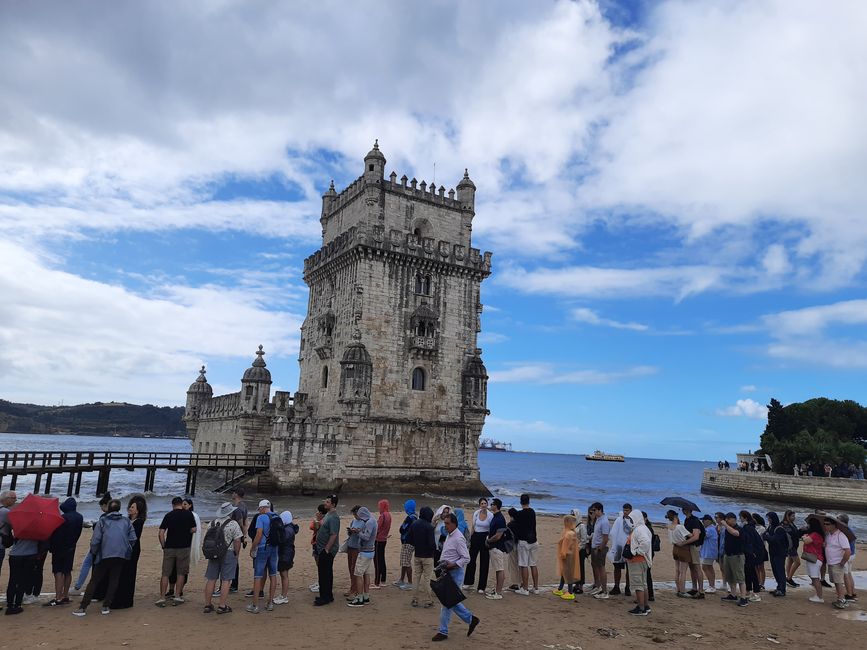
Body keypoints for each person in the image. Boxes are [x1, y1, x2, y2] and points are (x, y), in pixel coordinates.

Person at [73, 499, 137, 616]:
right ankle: (106, 606)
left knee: (95, 580)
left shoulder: (103, 521)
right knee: (114, 579)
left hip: (104, 555)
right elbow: (133, 538)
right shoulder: (126, 521)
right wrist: (125, 548)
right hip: (120, 555)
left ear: (109, 508)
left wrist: (94, 551)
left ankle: (83, 607)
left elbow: (95, 540)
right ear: (118, 508)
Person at [431, 513, 480, 642]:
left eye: (447, 523)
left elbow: (466, 558)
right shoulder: (450, 535)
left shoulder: (458, 538)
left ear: (454, 523)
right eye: (445, 523)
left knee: (447, 602)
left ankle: (443, 631)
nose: (445, 526)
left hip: (455, 573)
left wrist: (452, 564)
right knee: (451, 601)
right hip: (447, 571)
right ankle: (471, 619)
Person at [155, 496, 197, 607]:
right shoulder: (189, 514)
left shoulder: (168, 515)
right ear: (181, 504)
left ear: (172, 504)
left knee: (165, 573)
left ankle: (162, 597)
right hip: (184, 547)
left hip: (170, 547)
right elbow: (194, 529)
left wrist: (164, 545)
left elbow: (161, 533)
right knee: (181, 573)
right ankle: (177, 596)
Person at [202, 502, 243, 614]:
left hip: (214, 553)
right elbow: (237, 540)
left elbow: (206, 538)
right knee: (226, 580)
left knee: (211, 579)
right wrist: (236, 553)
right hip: (228, 552)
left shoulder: (212, 523)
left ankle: (207, 604)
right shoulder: (233, 524)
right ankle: (222, 605)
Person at [44, 497, 83, 607]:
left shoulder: (62, 518)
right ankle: (65, 595)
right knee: (67, 571)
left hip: (59, 548)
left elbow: (57, 535)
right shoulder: (79, 517)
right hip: (71, 547)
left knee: (58, 571)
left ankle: (58, 597)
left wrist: (51, 547)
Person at [111, 495, 146, 609]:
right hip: (123, 548)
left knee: (128, 573)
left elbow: (133, 537)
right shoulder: (127, 520)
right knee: (121, 573)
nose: (130, 509)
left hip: (132, 550)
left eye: (132, 507)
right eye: (130, 506)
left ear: (138, 509)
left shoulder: (139, 522)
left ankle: (125, 600)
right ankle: (119, 597)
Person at [72, 493, 112, 593]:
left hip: (98, 545)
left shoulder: (104, 517)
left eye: (102, 506)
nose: (101, 508)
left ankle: (78, 586)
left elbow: (99, 532)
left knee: (87, 563)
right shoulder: (115, 516)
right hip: (109, 546)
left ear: (105, 505)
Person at [4, 503, 40, 616]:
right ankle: (18, 604)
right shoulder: (37, 524)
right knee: (23, 580)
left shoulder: (17, 522)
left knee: (13, 580)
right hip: (30, 554)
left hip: (16, 554)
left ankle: (10, 604)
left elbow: (10, 535)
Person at [248, 499, 278, 613]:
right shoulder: (276, 516)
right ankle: (270, 603)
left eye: (259, 509)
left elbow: (259, 534)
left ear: (262, 508)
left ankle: (255, 605)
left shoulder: (261, 517)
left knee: (258, 575)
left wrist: (253, 547)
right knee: (273, 574)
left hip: (263, 548)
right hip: (274, 548)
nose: (259, 511)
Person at [167, 497, 201, 599]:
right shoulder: (179, 514)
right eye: (183, 504)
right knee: (173, 569)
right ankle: (171, 589)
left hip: (187, 545)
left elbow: (195, 530)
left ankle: (179, 590)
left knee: (182, 570)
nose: (183, 506)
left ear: (190, 505)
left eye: (185, 504)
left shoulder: (193, 516)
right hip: (178, 545)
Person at [347, 506, 377, 607]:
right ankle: (366, 596)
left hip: (365, 551)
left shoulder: (369, 522)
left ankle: (359, 598)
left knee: (358, 574)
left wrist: (358, 532)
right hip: (370, 551)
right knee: (367, 574)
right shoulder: (373, 520)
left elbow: (366, 537)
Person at [313, 494, 340, 606]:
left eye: (328, 502)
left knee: (325, 573)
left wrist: (327, 549)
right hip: (321, 548)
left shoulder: (334, 517)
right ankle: (326, 595)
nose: (325, 503)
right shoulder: (328, 515)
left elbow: (334, 535)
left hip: (326, 550)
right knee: (324, 573)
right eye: (326, 501)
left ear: (333, 504)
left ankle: (325, 597)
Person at [409, 506, 436, 608]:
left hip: (417, 554)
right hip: (428, 556)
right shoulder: (429, 527)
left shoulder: (414, 524)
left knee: (416, 577)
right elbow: (432, 543)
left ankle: (414, 599)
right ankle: (428, 600)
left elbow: (410, 539)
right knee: (427, 578)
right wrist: (434, 551)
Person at [626, 510, 652, 616]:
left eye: (631, 518)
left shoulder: (640, 529)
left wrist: (636, 552)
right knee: (643, 584)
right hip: (640, 560)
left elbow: (645, 542)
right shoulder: (641, 528)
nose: (630, 521)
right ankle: (645, 606)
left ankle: (641, 608)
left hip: (638, 560)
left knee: (638, 585)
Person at [719, 512, 748, 607]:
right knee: (730, 577)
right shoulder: (727, 528)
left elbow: (735, 533)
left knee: (740, 577)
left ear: (733, 519)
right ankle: (733, 594)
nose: (726, 521)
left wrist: (725, 525)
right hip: (728, 555)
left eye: (728, 519)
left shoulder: (739, 528)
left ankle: (743, 598)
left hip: (737, 556)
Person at [463, 497, 491, 594]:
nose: (484, 505)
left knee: (484, 562)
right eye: (482, 503)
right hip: (475, 537)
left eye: (485, 503)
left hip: (485, 538)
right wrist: (470, 538)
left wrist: (488, 539)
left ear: (487, 504)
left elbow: (491, 529)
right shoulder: (476, 513)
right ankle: (468, 582)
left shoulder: (490, 515)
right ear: (480, 505)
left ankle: (481, 587)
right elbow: (473, 527)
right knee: (471, 560)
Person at [822, 516, 851, 610]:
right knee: (835, 581)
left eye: (828, 524)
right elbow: (829, 546)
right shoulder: (828, 535)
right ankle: (840, 598)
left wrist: (842, 562)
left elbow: (848, 551)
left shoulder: (840, 535)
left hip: (837, 563)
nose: (825, 526)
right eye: (824, 524)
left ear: (834, 525)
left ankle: (842, 599)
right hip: (831, 562)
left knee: (838, 582)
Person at [514, 494, 539, 595]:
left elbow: (513, 513)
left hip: (524, 541)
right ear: (529, 501)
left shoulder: (520, 514)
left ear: (521, 502)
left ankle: (525, 588)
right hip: (533, 540)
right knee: (533, 564)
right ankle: (536, 587)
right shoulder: (532, 512)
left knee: (524, 564)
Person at [484, 498, 509, 600]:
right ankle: (497, 590)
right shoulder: (495, 517)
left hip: (497, 547)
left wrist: (489, 540)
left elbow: (498, 535)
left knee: (499, 569)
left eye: (492, 504)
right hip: (494, 547)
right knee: (498, 569)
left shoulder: (500, 519)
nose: (490, 505)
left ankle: (498, 592)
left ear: (496, 505)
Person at [681, 505, 706, 599]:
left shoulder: (695, 520)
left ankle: (701, 590)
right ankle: (694, 588)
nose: (683, 510)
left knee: (697, 567)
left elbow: (696, 536)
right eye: (683, 509)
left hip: (695, 546)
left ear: (689, 510)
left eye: (685, 509)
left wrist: (684, 542)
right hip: (690, 545)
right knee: (692, 567)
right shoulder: (687, 520)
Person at [274, 511, 298, 605]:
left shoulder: (288, 530)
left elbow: (282, 540)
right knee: (283, 574)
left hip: (285, 554)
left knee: (284, 575)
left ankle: (284, 596)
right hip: (286, 553)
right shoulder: (290, 528)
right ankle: (283, 595)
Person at [227, 487, 248, 594]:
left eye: (233, 493)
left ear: (236, 495)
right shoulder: (244, 505)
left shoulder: (237, 508)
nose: (232, 494)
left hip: (234, 536)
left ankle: (233, 585)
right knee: (234, 558)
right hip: (239, 535)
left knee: (233, 558)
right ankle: (234, 584)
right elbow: (245, 522)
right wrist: (245, 535)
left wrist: (242, 536)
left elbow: (240, 522)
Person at [739, 511, 764, 602]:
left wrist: (751, 552)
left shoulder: (747, 528)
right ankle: (749, 591)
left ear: (744, 518)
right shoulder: (750, 527)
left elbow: (749, 541)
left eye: (741, 517)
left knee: (752, 572)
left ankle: (755, 592)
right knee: (749, 572)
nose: (740, 519)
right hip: (752, 553)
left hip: (751, 553)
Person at [763, 512, 789, 597]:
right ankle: (779, 587)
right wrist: (768, 537)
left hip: (780, 553)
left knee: (780, 571)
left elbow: (773, 539)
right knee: (775, 570)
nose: (769, 520)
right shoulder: (771, 527)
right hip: (773, 552)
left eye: (770, 518)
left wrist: (767, 536)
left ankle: (782, 589)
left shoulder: (779, 529)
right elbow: (765, 535)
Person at [608, 503, 632, 597]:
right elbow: (613, 533)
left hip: (629, 546)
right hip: (618, 546)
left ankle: (628, 587)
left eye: (627, 510)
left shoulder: (633, 521)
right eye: (624, 510)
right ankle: (616, 586)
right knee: (617, 567)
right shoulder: (619, 519)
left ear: (631, 510)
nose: (625, 512)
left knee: (629, 569)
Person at [554, 514, 580, 600]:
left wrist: (563, 554)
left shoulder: (569, 533)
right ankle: (560, 588)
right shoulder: (571, 532)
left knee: (568, 573)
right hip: (570, 555)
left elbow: (565, 545)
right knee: (564, 572)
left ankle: (570, 592)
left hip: (568, 556)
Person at [801, 515, 825, 603]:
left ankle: (819, 596)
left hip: (815, 558)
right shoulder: (818, 534)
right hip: (815, 558)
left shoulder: (815, 534)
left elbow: (807, 541)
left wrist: (804, 537)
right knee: (813, 576)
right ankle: (818, 595)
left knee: (815, 578)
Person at [666, 510, 691, 597]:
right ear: (676, 517)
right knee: (683, 571)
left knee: (677, 570)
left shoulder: (669, 526)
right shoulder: (680, 527)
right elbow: (690, 536)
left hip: (675, 548)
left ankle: (678, 589)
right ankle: (682, 591)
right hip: (683, 548)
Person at [589, 502, 610, 599]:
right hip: (595, 546)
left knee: (601, 567)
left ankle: (604, 590)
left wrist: (600, 548)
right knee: (595, 566)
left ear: (599, 510)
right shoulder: (598, 519)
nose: (593, 512)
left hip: (600, 547)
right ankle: (597, 586)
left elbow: (606, 538)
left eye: (594, 510)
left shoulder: (604, 522)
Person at [395, 499, 417, 590]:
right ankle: (401, 579)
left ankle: (410, 582)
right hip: (411, 542)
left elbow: (402, 529)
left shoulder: (410, 518)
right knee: (404, 561)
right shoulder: (415, 517)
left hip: (407, 542)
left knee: (406, 562)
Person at [0, 489, 17, 606]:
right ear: (6, 499)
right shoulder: (5, 512)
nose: (15, 501)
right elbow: (16, 525)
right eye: (13, 498)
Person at [836, 514, 857, 602]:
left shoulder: (844, 531)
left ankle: (849, 594)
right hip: (852, 554)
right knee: (849, 574)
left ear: (842, 521)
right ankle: (852, 592)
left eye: (838, 520)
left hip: (847, 555)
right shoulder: (849, 530)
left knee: (846, 575)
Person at [344, 505, 362, 600]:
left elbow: (364, 535)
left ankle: (355, 589)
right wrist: (350, 531)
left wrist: (357, 531)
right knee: (350, 568)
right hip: (350, 545)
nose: (354, 515)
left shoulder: (363, 522)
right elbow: (350, 533)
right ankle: (352, 587)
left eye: (355, 513)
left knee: (354, 568)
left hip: (356, 548)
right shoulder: (353, 521)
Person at [373, 499, 391, 590]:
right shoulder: (388, 515)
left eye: (379, 506)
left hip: (379, 540)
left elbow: (377, 528)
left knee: (377, 560)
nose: (378, 507)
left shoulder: (382, 515)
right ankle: (383, 580)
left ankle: (377, 582)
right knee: (382, 559)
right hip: (384, 539)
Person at [308, 503, 326, 593]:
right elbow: (311, 527)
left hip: (320, 544)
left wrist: (317, 521)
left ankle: (321, 583)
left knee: (321, 564)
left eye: (319, 512)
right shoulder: (318, 520)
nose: (316, 513)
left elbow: (315, 527)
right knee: (317, 563)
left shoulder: (324, 521)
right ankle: (319, 581)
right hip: (315, 543)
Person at [781, 510, 801, 588]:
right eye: (792, 516)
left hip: (794, 546)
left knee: (790, 561)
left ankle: (788, 577)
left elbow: (795, 533)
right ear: (787, 516)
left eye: (794, 516)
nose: (794, 518)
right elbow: (790, 534)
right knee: (797, 562)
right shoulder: (785, 525)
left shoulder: (791, 524)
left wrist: (801, 530)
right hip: (791, 546)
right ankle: (789, 578)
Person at [699, 515, 718, 593]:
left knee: (705, 567)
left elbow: (702, 536)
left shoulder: (710, 529)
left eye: (704, 520)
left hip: (709, 552)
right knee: (708, 567)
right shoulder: (710, 528)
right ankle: (712, 585)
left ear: (709, 521)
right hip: (708, 551)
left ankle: (712, 586)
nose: (702, 522)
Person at [751, 513, 768, 590]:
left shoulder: (762, 528)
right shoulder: (752, 527)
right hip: (754, 548)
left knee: (761, 567)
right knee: (755, 567)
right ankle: (757, 582)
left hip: (761, 549)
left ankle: (762, 583)